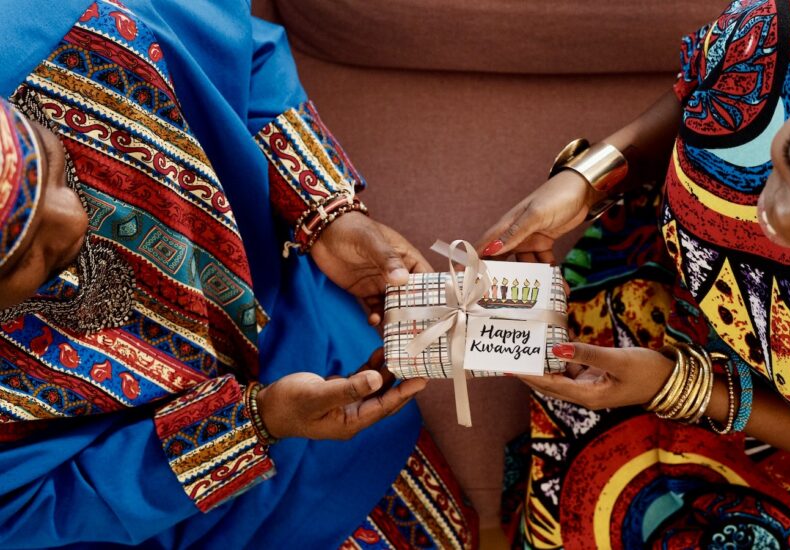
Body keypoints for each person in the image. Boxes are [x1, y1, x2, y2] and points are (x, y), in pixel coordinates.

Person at [0, 1, 477, 548]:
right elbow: (32, 510)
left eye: (54, 164)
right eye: (29, 255)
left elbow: (245, 52)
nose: (74, 217)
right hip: (176, 526)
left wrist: (325, 211)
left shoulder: (79, 14)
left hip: (333, 374)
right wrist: (255, 423)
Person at [478, 0, 790, 547]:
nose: (778, 221)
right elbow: (693, 101)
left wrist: (682, 387)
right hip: (644, 292)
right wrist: (589, 180)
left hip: (785, 442)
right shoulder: (776, 43)